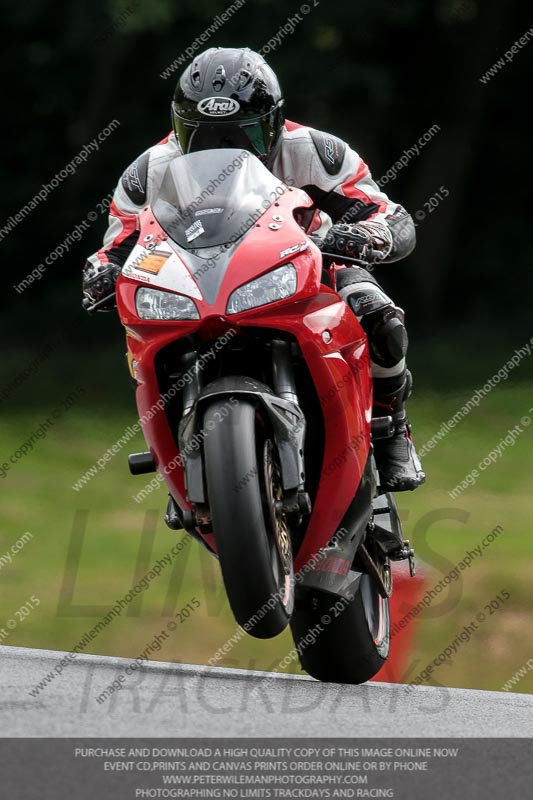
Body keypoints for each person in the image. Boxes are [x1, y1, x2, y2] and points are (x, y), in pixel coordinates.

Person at [83, 47, 425, 492]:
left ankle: (391, 425)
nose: (223, 150)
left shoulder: (315, 150)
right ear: (179, 129)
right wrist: (101, 274)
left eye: (241, 134)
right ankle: (177, 453)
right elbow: (116, 245)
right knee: (144, 345)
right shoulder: (149, 170)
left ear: (273, 123)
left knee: (379, 314)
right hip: (193, 281)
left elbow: (386, 212)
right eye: (203, 137)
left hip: (308, 262)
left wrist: (368, 235)